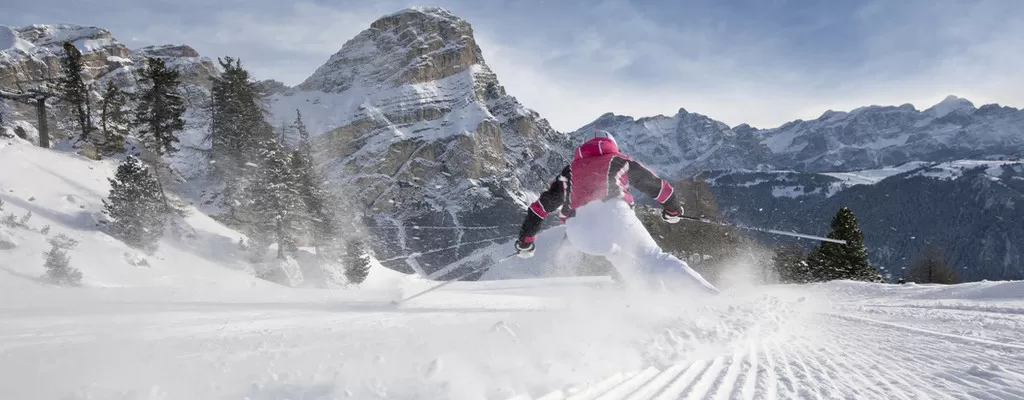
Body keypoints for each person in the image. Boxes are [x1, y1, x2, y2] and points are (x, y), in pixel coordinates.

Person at [513, 131, 719, 295]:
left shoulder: (569, 171)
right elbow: (659, 188)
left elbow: (538, 209)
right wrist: (673, 210)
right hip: (613, 213)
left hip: (578, 231)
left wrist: (525, 242)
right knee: (654, 258)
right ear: (612, 144)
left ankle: (656, 306)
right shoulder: (619, 160)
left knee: (623, 259)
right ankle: (711, 297)